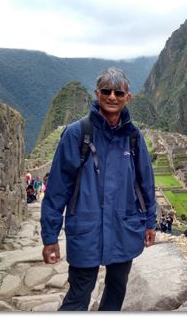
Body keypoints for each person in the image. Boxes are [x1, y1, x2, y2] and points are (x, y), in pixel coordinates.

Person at [40, 67, 156, 311]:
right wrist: (50, 237)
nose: (112, 97)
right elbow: (57, 190)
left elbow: (146, 184)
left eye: (118, 92)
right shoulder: (77, 134)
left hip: (123, 227)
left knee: (116, 289)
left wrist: (149, 223)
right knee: (78, 295)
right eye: (106, 91)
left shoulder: (133, 137)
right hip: (86, 228)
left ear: (128, 97)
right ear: (97, 93)